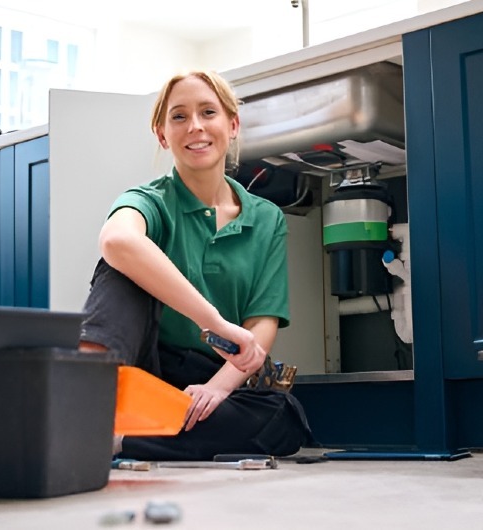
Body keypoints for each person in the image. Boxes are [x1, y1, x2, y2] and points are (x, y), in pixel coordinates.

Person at [79, 70, 313, 461]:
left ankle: (118, 439)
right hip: (144, 367)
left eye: (208, 112)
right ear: (161, 134)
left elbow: (262, 322)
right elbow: (117, 240)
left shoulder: (267, 218)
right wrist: (214, 322)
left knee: (283, 418)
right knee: (123, 264)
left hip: (208, 376)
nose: (195, 127)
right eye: (179, 117)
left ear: (232, 125)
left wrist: (218, 389)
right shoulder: (149, 199)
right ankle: (84, 400)